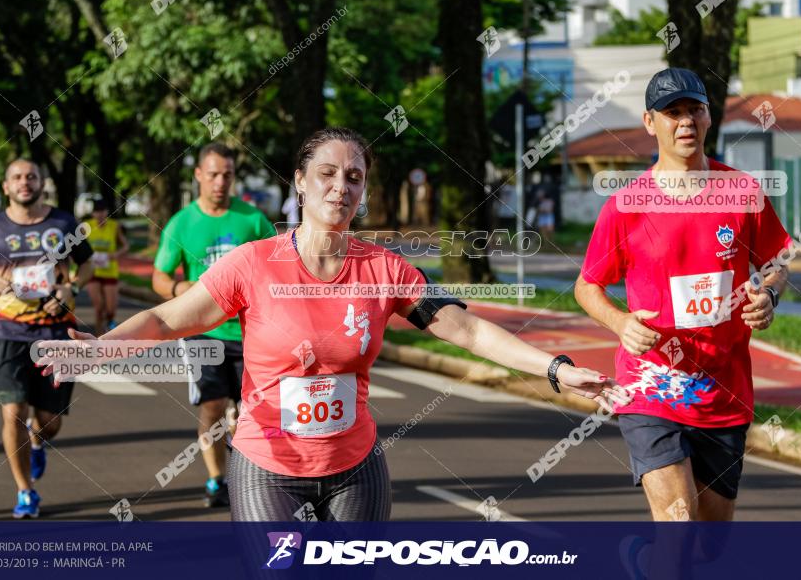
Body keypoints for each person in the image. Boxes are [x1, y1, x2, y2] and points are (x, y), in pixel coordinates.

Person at [38, 127, 630, 522]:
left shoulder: (384, 269)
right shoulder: (253, 263)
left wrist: (556, 369)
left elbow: (468, 330)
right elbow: (170, 317)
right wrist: (101, 350)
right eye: (326, 173)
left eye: (354, 177)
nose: (340, 187)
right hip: (267, 468)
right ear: (299, 182)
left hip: (357, 470)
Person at [574, 68, 791, 526]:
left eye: (695, 109)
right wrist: (621, 324)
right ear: (650, 123)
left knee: (711, 541)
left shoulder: (742, 191)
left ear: (709, 117)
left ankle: (645, 558)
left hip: (723, 388)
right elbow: (588, 286)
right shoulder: (626, 205)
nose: (686, 121)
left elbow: (775, 262)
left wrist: (768, 295)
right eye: (672, 113)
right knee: (677, 520)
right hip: (651, 385)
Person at [0, 159, 93, 518]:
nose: (25, 182)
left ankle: (38, 441)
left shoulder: (64, 223)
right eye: (17, 178)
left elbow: (87, 263)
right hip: (8, 331)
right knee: (14, 413)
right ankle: (25, 492)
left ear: (42, 183)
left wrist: (71, 289)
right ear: (6, 186)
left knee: (50, 421)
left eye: (31, 176)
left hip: (56, 333)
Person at [151, 142, 276, 508]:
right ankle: (216, 480)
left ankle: (250, 470)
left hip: (252, 331)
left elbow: (279, 261)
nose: (221, 182)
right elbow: (159, 277)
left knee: (252, 409)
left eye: (228, 175)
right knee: (212, 405)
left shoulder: (252, 220)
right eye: (214, 174)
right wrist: (179, 287)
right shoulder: (182, 223)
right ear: (199, 176)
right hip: (203, 330)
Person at [85, 198, 128, 335]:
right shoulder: (86, 226)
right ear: (92, 214)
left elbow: (125, 246)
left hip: (110, 271)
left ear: (107, 213)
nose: (100, 215)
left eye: (103, 212)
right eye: (97, 212)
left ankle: (110, 328)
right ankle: (98, 338)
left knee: (110, 310)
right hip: (93, 272)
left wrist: (115, 254)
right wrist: (87, 256)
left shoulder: (114, 226)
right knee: (98, 308)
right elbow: (77, 246)